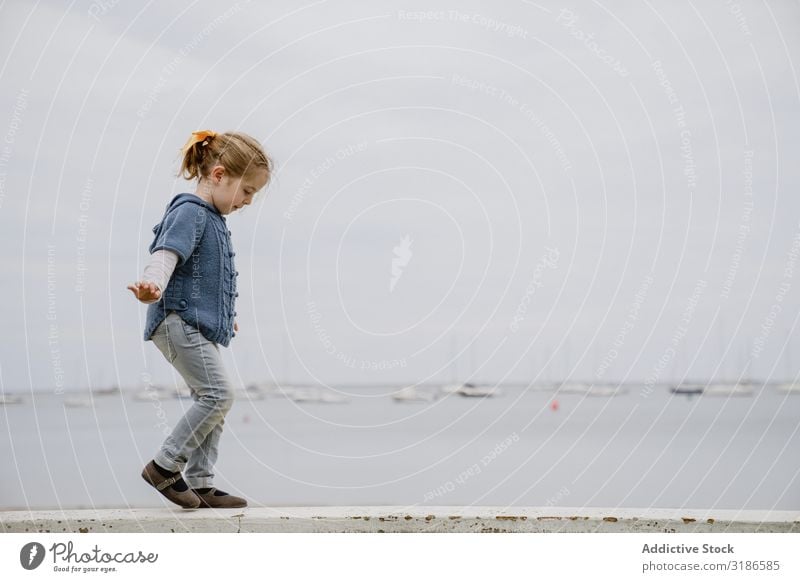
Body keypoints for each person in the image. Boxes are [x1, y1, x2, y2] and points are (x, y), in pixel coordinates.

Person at [127, 130, 272, 509]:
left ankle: (201, 483)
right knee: (218, 395)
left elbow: (205, 280)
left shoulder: (212, 218)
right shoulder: (190, 211)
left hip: (193, 324)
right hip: (175, 321)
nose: (248, 201)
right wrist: (152, 286)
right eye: (247, 191)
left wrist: (225, 316)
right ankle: (164, 466)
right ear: (220, 175)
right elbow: (166, 254)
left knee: (212, 401)